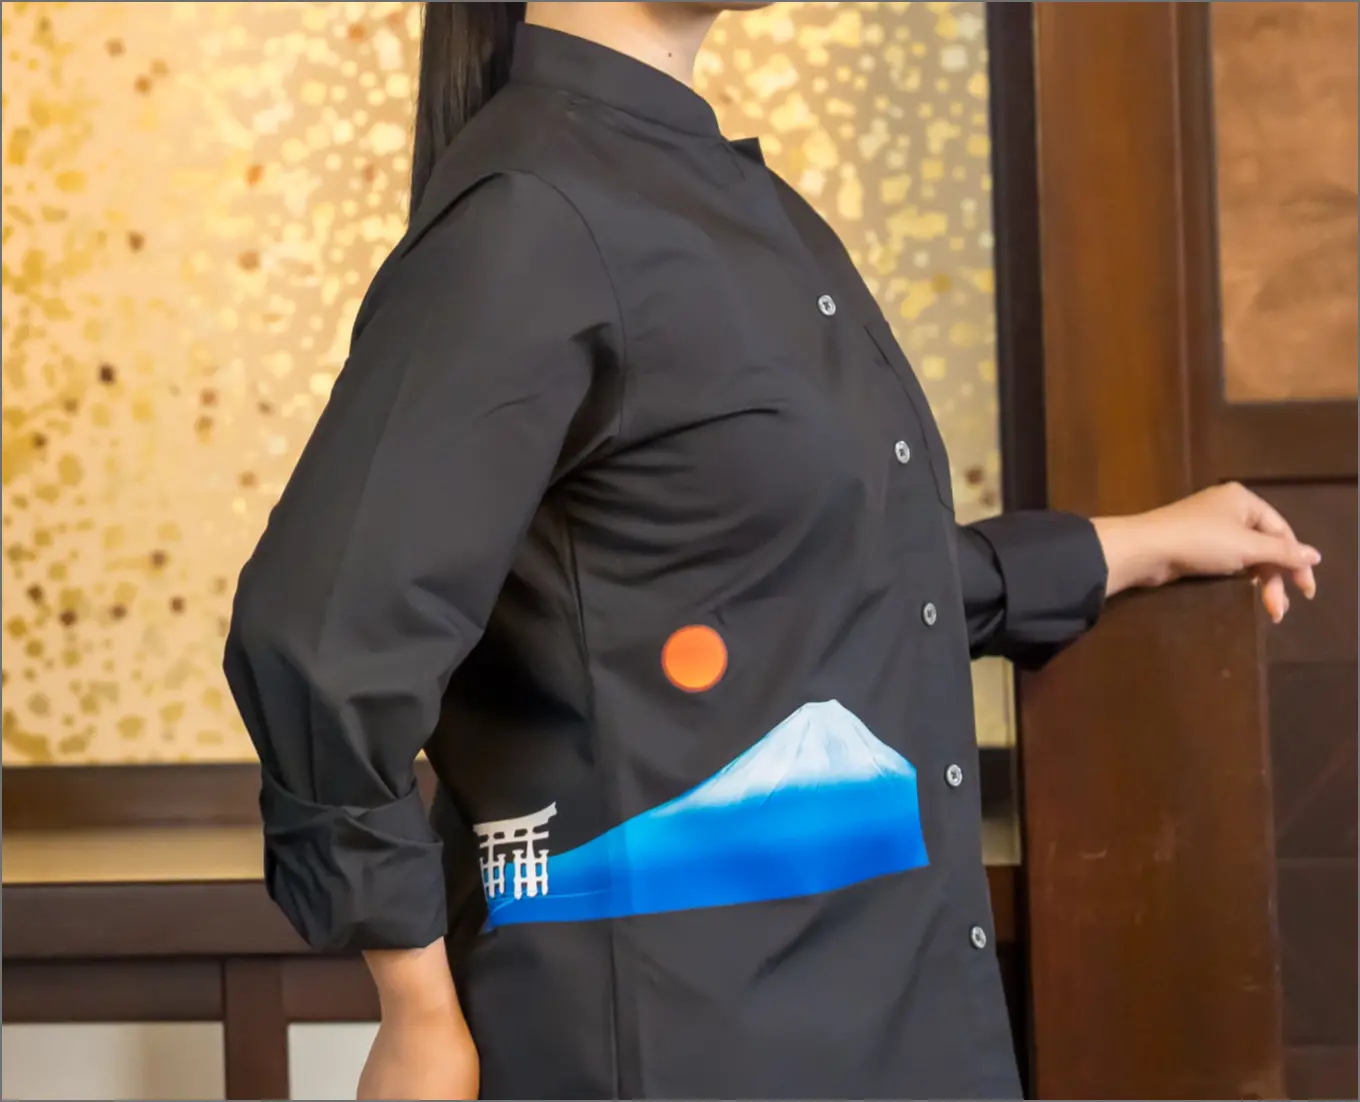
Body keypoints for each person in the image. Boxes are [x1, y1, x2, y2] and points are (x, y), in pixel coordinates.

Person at [222, 4, 1321, 1099]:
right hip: (686, 1039)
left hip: (877, 1014)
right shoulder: (534, 216)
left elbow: (811, 588)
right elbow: (320, 635)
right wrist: (417, 1011)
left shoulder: (722, 199)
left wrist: (1133, 547)